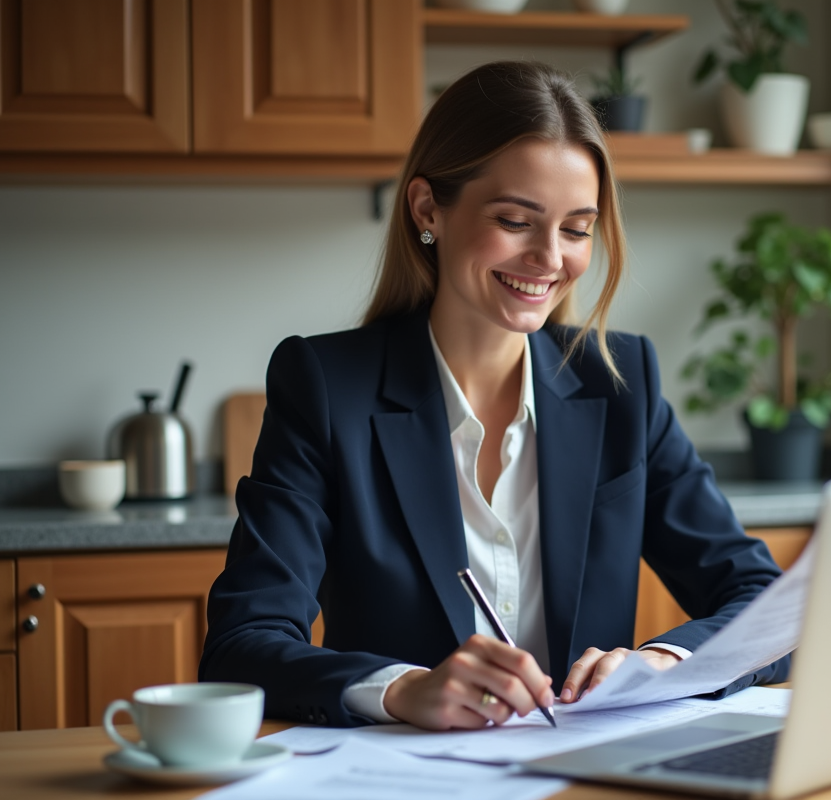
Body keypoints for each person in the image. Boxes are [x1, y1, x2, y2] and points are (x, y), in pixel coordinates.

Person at [200, 61, 790, 731]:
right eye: (516, 220)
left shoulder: (621, 380)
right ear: (428, 209)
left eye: (575, 229)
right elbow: (240, 648)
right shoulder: (327, 386)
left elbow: (766, 605)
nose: (549, 257)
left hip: (584, 776)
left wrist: (664, 660)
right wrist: (403, 689)